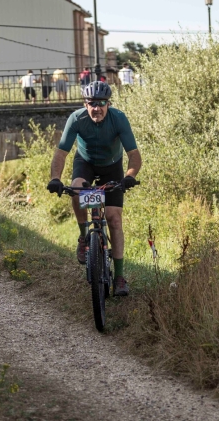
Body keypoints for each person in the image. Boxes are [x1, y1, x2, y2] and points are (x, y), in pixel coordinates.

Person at [46, 81, 142, 297]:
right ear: (85, 103)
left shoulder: (118, 118)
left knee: (113, 218)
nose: (96, 108)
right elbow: (61, 152)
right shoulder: (77, 118)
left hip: (112, 167)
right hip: (86, 164)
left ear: (108, 104)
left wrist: (130, 176)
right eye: (92, 103)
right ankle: (83, 237)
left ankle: (119, 277)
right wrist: (55, 179)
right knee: (77, 190)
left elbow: (134, 154)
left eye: (102, 103)